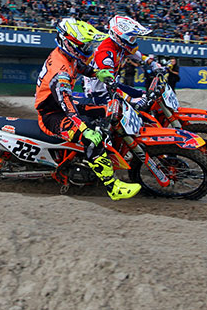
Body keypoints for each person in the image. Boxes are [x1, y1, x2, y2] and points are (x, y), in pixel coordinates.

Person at [36, 18, 142, 201]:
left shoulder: (67, 55)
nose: (89, 50)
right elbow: (67, 105)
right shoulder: (60, 72)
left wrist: (97, 73)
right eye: (84, 47)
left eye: (89, 46)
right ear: (68, 43)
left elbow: (80, 67)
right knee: (92, 136)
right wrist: (84, 129)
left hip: (60, 106)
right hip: (52, 114)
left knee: (108, 109)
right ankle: (112, 186)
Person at [84, 15, 161, 105]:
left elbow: (134, 53)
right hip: (103, 93)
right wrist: (130, 100)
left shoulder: (119, 46)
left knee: (146, 96)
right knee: (138, 111)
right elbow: (108, 83)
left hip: (115, 87)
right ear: (118, 36)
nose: (133, 41)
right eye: (131, 38)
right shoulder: (105, 52)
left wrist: (150, 62)